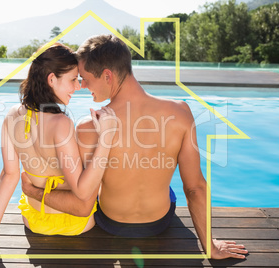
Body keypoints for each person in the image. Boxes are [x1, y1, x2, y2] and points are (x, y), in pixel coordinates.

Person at [21, 35, 248, 259]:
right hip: (158, 223)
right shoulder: (181, 113)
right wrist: (210, 246)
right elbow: (195, 189)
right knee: (165, 188)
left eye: (85, 78)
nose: (82, 86)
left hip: (112, 223)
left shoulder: (88, 127)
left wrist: (33, 190)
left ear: (107, 75)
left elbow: (82, 200)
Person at [0, 43, 117, 260]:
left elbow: (9, 175)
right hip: (75, 224)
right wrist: (105, 137)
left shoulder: (12, 116)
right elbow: (81, 194)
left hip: (34, 221)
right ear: (51, 79)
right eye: (72, 80)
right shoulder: (61, 124)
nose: (78, 87)